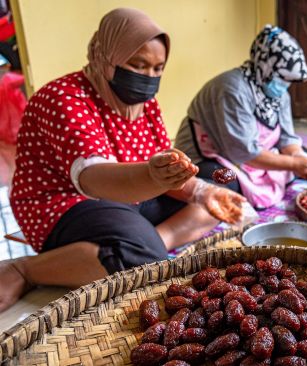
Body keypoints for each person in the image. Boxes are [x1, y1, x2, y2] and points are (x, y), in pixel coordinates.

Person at [0, 8, 245, 313]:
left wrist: (202, 192)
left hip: (130, 199)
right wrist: (155, 178)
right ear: (107, 55)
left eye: (158, 69)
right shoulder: (65, 98)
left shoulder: (146, 105)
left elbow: (159, 171)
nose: (149, 78)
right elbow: (93, 178)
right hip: (64, 203)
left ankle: (140, 243)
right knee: (142, 253)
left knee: (219, 193)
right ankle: (27, 269)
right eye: (138, 65)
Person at [174, 25, 307, 209]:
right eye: (282, 78)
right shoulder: (232, 89)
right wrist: (294, 163)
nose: (285, 85)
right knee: (226, 180)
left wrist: (299, 156)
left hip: (253, 159)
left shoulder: (279, 94)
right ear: (266, 66)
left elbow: (287, 139)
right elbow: (244, 153)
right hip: (210, 158)